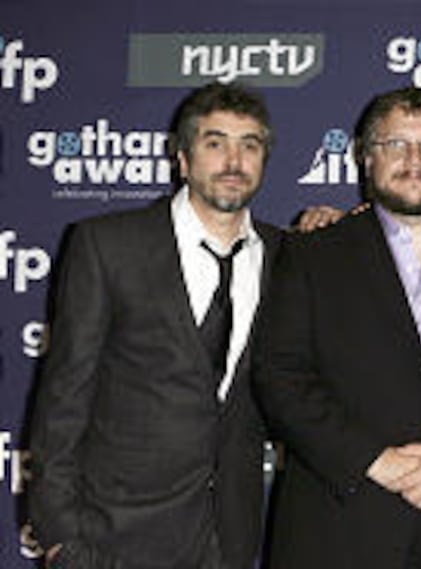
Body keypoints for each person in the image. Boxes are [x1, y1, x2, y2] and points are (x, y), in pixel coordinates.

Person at [253, 86, 421, 569]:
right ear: (365, 158)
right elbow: (281, 378)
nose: (414, 159)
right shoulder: (309, 254)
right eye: (395, 144)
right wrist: (374, 460)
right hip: (336, 530)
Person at [29, 82, 288, 569]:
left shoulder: (287, 257)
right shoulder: (108, 246)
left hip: (228, 537)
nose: (234, 160)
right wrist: (60, 535)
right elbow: (63, 399)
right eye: (215, 143)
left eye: (249, 145)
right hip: (114, 537)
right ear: (184, 159)